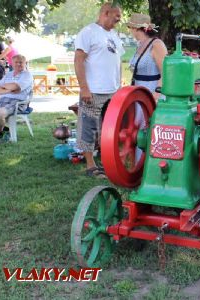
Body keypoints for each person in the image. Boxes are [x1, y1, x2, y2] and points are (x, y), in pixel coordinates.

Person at [74, 2, 124, 178]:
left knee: (109, 129)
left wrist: (120, 86)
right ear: (105, 12)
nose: (119, 19)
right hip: (93, 90)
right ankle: (90, 165)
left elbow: (118, 62)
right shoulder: (88, 32)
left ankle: (106, 162)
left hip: (113, 91)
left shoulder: (114, 35)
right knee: (89, 127)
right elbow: (79, 60)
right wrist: (84, 87)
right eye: (116, 15)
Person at [127, 13, 168, 97]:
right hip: (138, 94)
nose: (130, 30)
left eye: (130, 27)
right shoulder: (139, 45)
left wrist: (156, 95)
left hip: (152, 95)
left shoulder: (156, 44)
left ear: (135, 28)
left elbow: (166, 73)